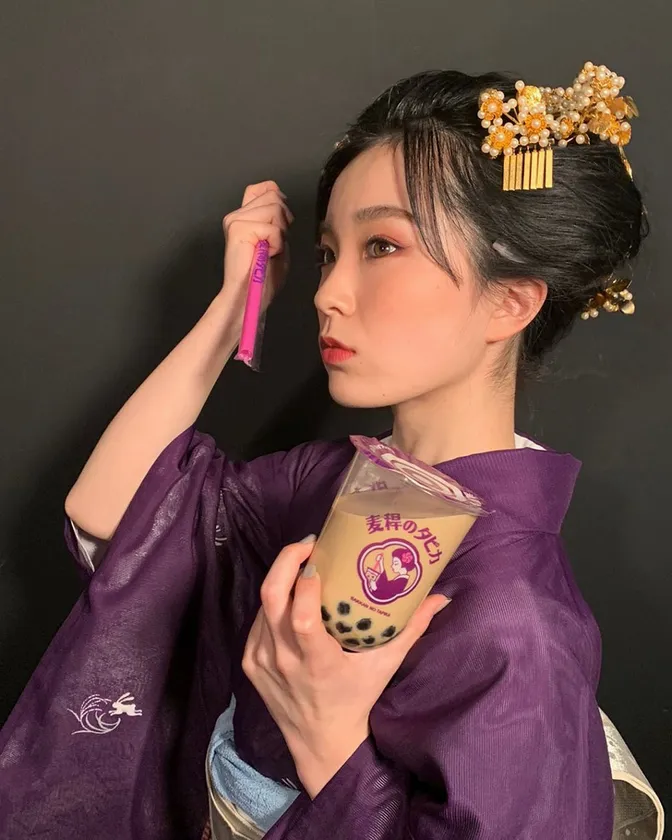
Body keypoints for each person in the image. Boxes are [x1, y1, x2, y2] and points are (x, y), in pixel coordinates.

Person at [0, 63, 661, 840]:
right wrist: (233, 307)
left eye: (381, 245)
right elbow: (114, 514)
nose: (326, 294)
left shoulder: (520, 622)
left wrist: (330, 744)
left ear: (508, 301)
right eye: (326, 253)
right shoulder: (330, 479)